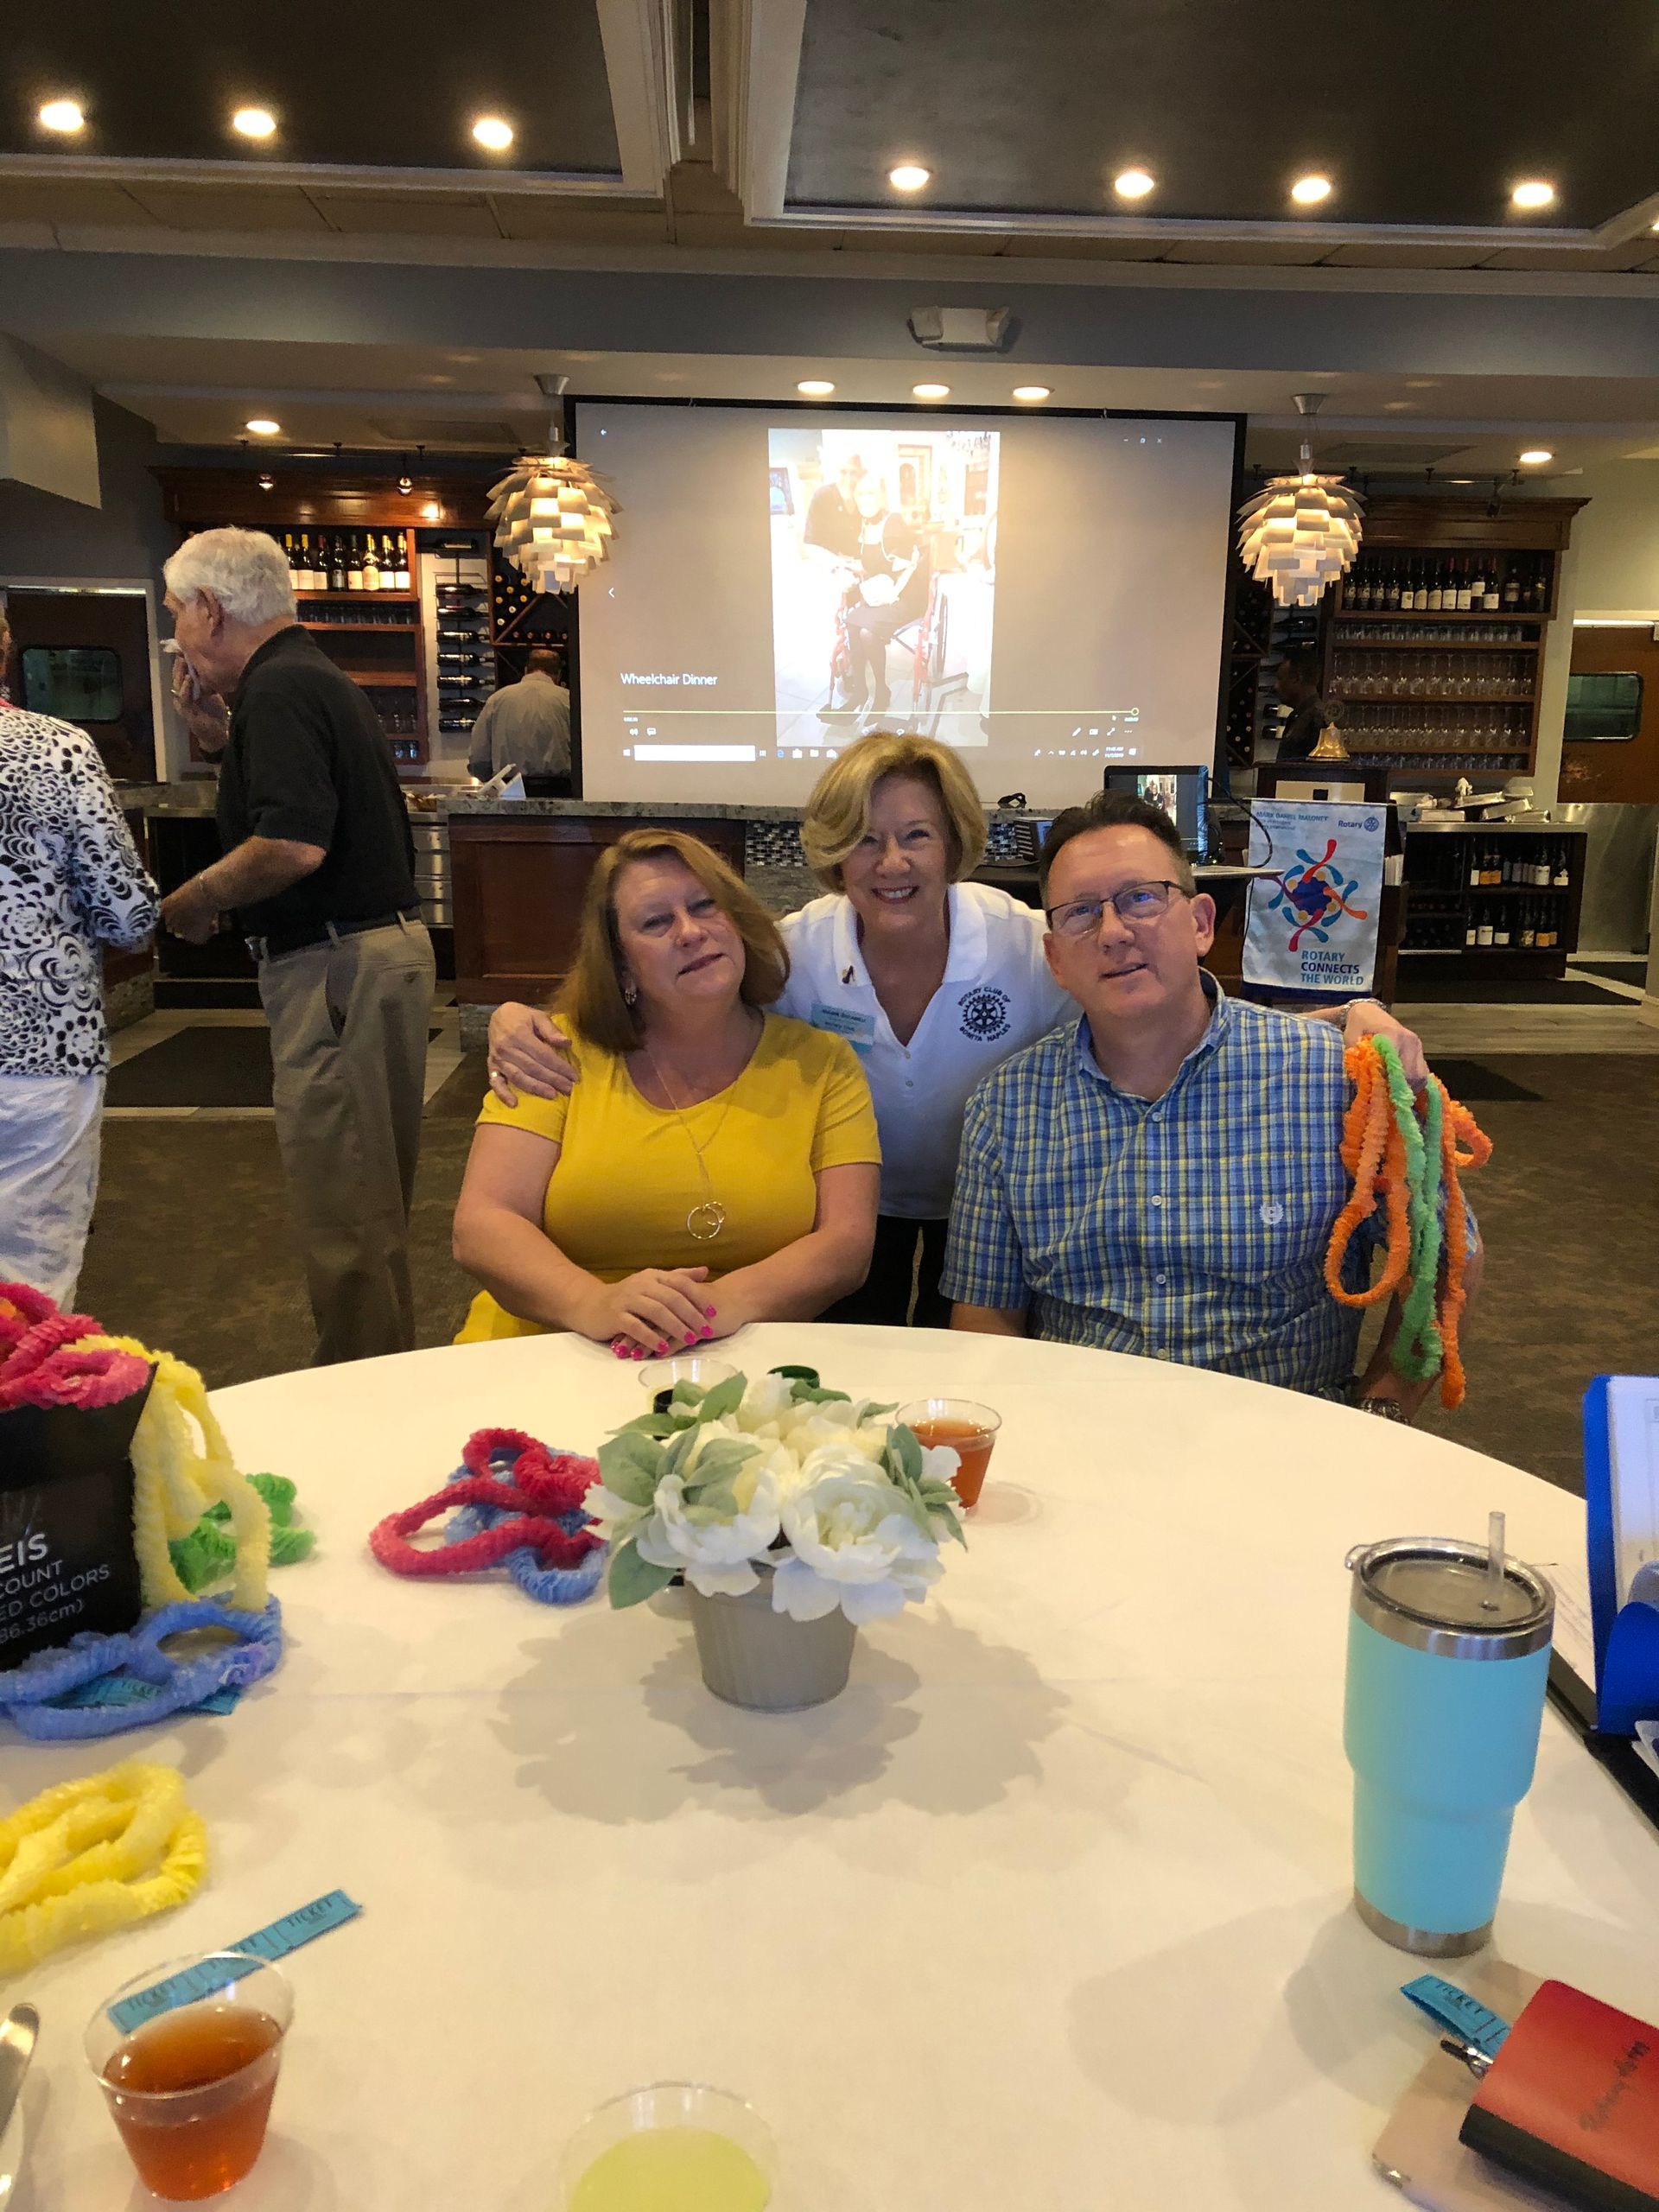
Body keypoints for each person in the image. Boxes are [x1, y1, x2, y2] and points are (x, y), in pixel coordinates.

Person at [485, 734, 1427, 1330]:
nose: (890, 862)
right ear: (830, 854)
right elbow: (671, 984)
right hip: (843, 1211)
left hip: (998, 1211)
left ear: (956, 841)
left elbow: (1153, 992)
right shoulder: (793, 954)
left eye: (916, 836)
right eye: (863, 838)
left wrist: (1346, 1017)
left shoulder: (1032, 943)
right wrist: (524, 1019)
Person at [942, 791, 1482, 1418]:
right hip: (1081, 1449)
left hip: (1285, 1451)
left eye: (1141, 898)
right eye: (1082, 914)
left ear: (1200, 923)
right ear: (1056, 959)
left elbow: (1447, 1260)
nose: (1114, 933)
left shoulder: (1334, 1080)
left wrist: (1378, 1421)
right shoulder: (1007, 1108)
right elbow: (986, 1317)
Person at [158, 526, 435, 1366]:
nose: (176, 635)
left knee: (346, 1216)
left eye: (177, 613)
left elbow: (294, 843)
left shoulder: (281, 693)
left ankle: (361, 1404)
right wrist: (217, 733)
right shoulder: (304, 680)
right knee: (365, 1206)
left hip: (333, 964)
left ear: (208, 607)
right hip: (362, 958)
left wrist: (194, 899)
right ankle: (378, 1384)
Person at [452, 830, 879, 1354]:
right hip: (551, 1346)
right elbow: (483, 1223)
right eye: (656, 922)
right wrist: (594, 1303)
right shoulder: (553, 1050)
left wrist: (705, 1312)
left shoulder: (823, 1062)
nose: (690, 931)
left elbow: (846, 1246)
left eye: (705, 906)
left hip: (743, 1350)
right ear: (621, 963)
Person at [0, 601, 158, 1304]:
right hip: (40, 1047)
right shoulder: (54, 750)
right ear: (4, 646)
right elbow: (126, 913)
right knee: (29, 1283)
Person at [841, 474, 931, 720]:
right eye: (861, 494)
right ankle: (859, 691)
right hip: (882, 593)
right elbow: (874, 567)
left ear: (882, 496)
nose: (866, 499)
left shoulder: (893, 523)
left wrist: (891, 594)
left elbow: (908, 567)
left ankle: (882, 692)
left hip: (906, 595)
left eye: (871, 493)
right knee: (851, 622)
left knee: (867, 632)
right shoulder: (863, 527)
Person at [466, 648, 572, 796]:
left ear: (526, 670)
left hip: (509, 791)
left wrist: (489, 779)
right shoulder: (569, 700)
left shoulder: (497, 699)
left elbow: (479, 757)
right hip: (560, 791)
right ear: (558, 675)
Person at [800, 453, 863, 564]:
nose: (849, 480)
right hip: (832, 566)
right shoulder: (822, 497)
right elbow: (811, 544)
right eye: (843, 472)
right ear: (834, 473)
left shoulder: (867, 497)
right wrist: (839, 563)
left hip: (864, 567)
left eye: (854, 473)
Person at [1274, 649, 1334, 761]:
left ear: (1297, 679)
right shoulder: (1299, 716)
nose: (1276, 686)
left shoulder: (1318, 719)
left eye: (1280, 679)